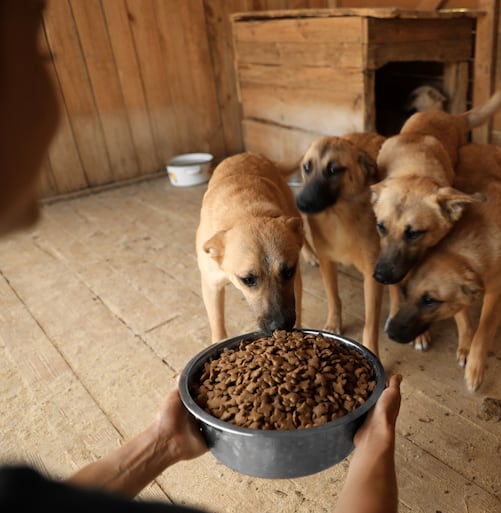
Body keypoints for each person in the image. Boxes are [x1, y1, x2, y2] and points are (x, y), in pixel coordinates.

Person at [0, 2, 402, 512]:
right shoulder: (212, 246)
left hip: (263, 204)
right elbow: (225, 276)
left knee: (281, 296)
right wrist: (376, 446)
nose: (276, 307)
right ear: (214, 257)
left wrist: (160, 443)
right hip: (230, 217)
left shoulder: (286, 227)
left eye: (283, 273)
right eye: (43, 56)